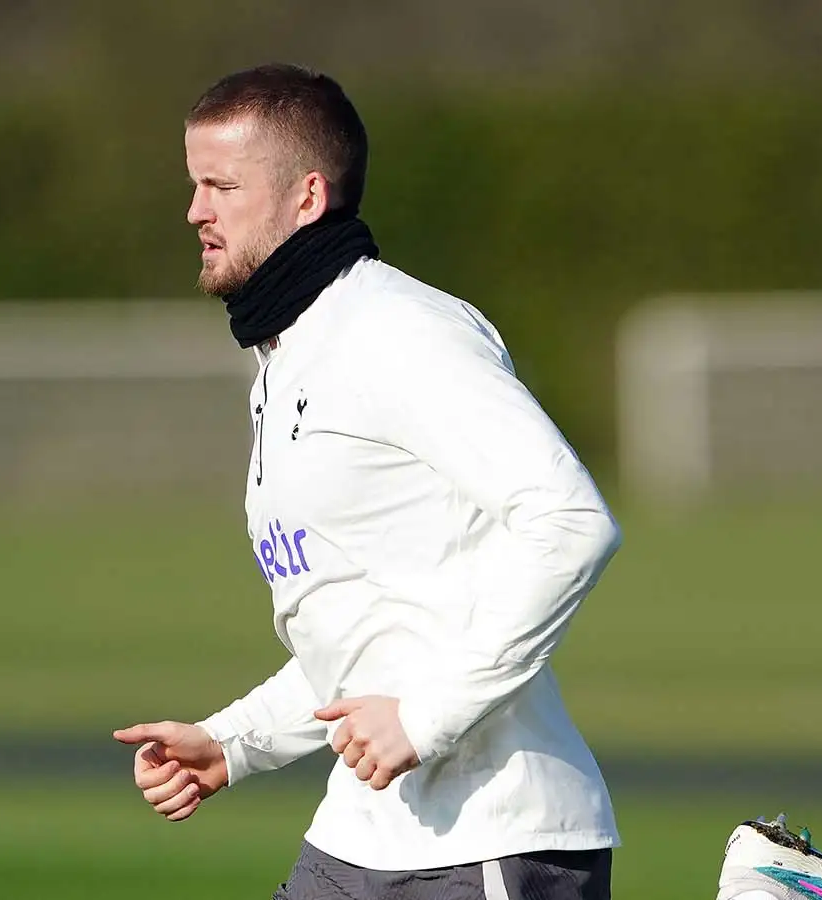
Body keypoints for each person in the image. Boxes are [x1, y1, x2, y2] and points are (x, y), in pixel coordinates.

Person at [111, 63, 623, 900]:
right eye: (194, 185)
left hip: (489, 838)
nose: (195, 211)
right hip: (358, 837)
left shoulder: (399, 330)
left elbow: (571, 521)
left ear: (307, 197)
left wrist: (424, 720)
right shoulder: (284, 359)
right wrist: (230, 744)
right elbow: (360, 633)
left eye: (221, 186)